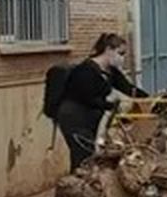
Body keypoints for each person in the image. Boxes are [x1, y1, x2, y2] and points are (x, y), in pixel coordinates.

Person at [57, 34, 147, 171]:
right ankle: (76, 187)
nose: (122, 58)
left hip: (92, 117)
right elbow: (88, 99)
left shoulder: (111, 71)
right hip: (74, 117)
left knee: (96, 156)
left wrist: (151, 100)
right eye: (120, 53)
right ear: (108, 49)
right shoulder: (84, 71)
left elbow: (129, 89)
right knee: (83, 157)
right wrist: (113, 106)